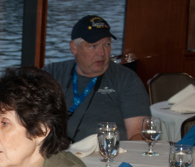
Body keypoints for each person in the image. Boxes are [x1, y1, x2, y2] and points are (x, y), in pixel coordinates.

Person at [44, 15, 150, 143]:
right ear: (74, 47)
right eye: (93, 46)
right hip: (56, 153)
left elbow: (138, 133)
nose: (102, 53)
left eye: (107, 44)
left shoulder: (126, 79)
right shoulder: (52, 73)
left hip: (107, 155)